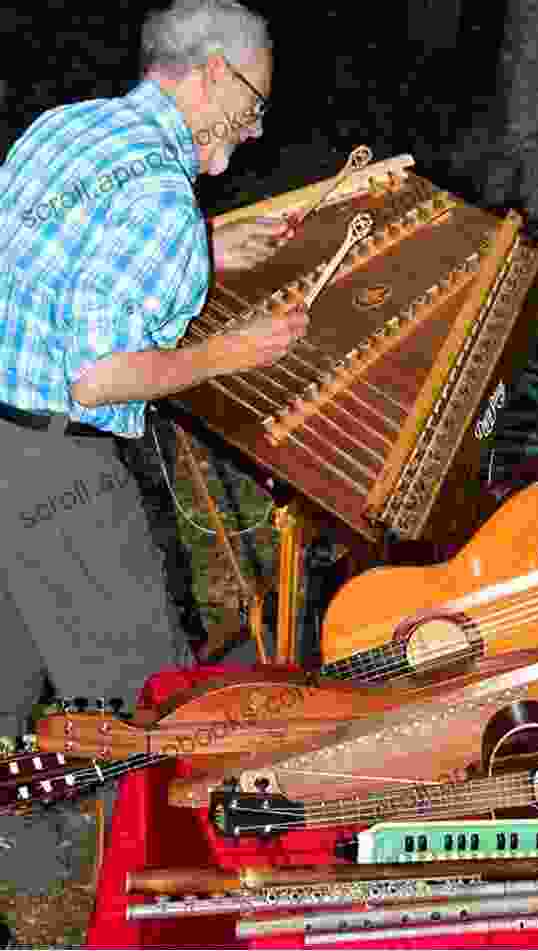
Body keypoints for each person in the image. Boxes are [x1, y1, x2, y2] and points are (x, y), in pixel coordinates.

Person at [0, 0, 308, 889]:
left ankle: (15, 846)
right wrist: (227, 352)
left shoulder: (68, 128)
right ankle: (154, 883)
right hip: (60, 464)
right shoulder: (159, 200)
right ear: (211, 72)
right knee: (150, 697)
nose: (250, 134)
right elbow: (99, 375)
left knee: (10, 657)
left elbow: (60, 248)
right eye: (251, 105)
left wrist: (212, 243)